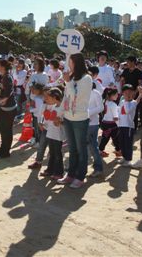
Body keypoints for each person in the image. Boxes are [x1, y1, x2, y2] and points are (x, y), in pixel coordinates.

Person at [58, 52, 92, 189]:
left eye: (70, 62)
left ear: (76, 63)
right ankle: (70, 174)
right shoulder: (71, 78)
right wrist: (59, 114)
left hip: (80, 119)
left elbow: (76, 97)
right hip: (68, 118)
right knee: (72, 149)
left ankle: (80, 176)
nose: (68, 65)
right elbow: (66, 98)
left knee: (81, 149)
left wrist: (68, 82)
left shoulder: (86, 79)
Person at [39, 87, 65, 180]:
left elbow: (65, 121)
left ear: (55, 97)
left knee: (58, 154)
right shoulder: (54, 106)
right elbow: (49, 118)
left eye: (48, 97)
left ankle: (59, 172)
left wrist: (60, 122)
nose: (46, 99)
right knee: (52, 153)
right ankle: (50, 170)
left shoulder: (62, 108)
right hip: (50, 133)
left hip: (58, 135)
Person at [0, 59, 17, 158]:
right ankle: (2, 148)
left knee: (7, 129)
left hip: (9, 108)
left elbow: (8, 93)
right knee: (2, 129)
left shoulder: (7, 77)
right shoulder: (1, 77)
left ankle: (6, 151)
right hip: (3, 107)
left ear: (2, 67)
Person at [117, 84, 141, 167]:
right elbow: (119, 111)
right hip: (121, 125)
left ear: (133, 93)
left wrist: (128, 100)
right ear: (123, 93)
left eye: (130, 92)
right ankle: (124, 156)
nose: (128, 94)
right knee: (122, 142)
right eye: (126, 92)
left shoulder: (133, 103)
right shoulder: (122, 101)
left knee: (128, 143)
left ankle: (128, 159)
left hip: (129, 126)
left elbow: (127, 111)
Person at [87, 82, 105, 177]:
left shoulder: (95, 93)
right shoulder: (80, 92)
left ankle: (98, 168)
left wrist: (88, 113)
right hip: (81, 122)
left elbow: (101, 107)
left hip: (92, 124)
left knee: (93, 146)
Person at [98, 87, 120, 157]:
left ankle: (117, 150)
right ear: (112, 95)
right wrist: (119, 124)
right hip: (112, 124)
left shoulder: (106, 101)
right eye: (116, 94)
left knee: (106, 138)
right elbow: (115, 117)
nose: (117, 96)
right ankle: (118, 150)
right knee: (114, 138)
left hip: (105, 122)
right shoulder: (113, 104)